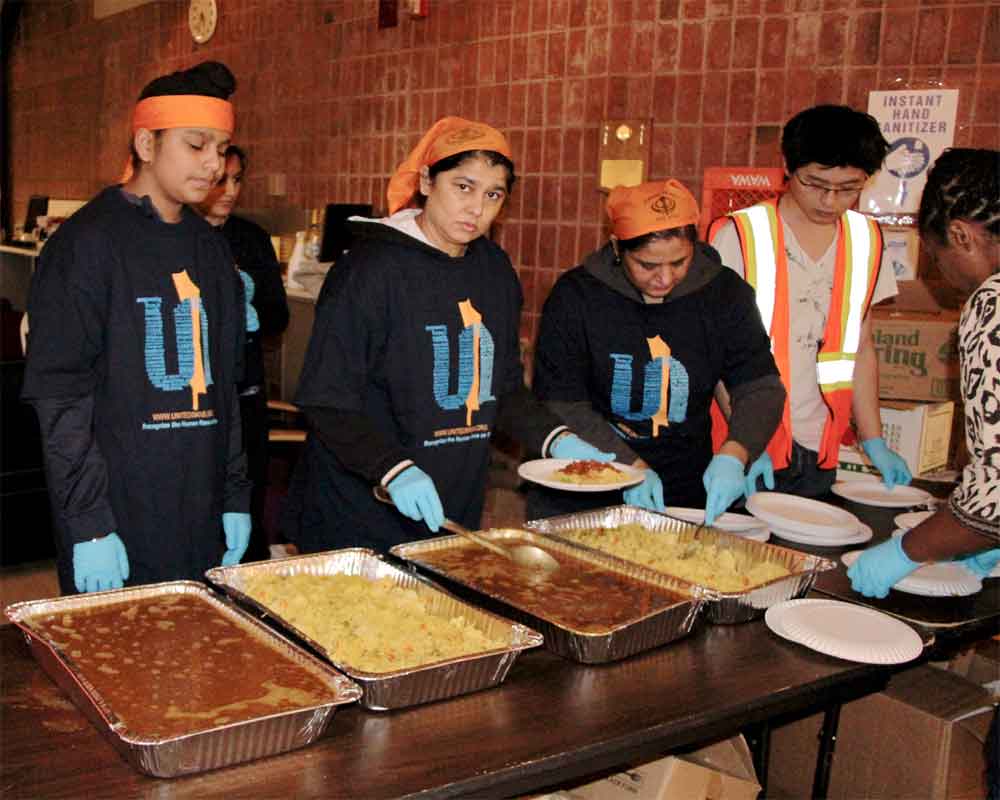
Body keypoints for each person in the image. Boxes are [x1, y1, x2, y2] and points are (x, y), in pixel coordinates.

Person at [282, 116, 612, 554]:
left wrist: (558, 440)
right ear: (426, 181)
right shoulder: (370, 270)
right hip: (358, 510)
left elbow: (504, 389)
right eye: (463, 186)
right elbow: (327, 399)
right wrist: (394, 469)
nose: (477, 208)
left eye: (493, 194)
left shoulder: (494, 271)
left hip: (451, 505)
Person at [22, 61, 251, 594]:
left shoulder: (212, 250)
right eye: (196, 146)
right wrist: (88, 522)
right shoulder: (85, 246)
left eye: (220, 149)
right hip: (117, 506)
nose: (213, 165)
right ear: (146, 144)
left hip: (200, 503)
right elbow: (61, 399)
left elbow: (227, 392)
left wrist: (235, 495)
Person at [528, 179, 786, 524]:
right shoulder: (577, 297)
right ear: (618, 248)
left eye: (679, 262)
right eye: (647, 266)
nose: (664, 278)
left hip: (685, 482)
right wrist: (628, 465)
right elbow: (562, 401)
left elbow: (759, 386)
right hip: (588, 474)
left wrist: (736, 452)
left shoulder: (724, 294)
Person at [710, 105, 912, 499]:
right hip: (741, 445)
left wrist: (874, 440)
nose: (830, 201)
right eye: (816, 183)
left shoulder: (867, 239)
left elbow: (862, 347)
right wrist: (746, 442)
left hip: (820, 447)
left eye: (848, 188)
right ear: (787, 166)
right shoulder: (739, 235)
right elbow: (716, 351)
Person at [847, 148, 1000, 598]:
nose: (941, 275)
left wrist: (905, 551)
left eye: (935, 256)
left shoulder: (992, 306)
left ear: (960, 236)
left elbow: (995, 491)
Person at [196, 145, 289, 562]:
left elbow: (278, 316)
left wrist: (249, 311)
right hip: (196, 388)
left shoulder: (250, 238)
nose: (230, 190)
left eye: (237, 180)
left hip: (245, 386)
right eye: (221, 180)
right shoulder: (185, 235)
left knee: (248, 482)